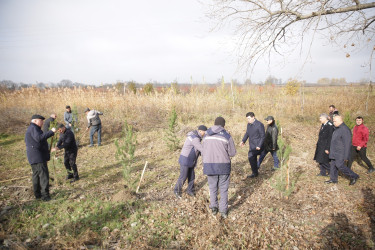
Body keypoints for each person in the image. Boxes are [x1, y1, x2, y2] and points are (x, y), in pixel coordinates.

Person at [202, 117, 236, 219]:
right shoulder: (227, 136)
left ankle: (214, 208)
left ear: (214, 124)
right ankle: (223, 211)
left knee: (212, 188)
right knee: (224, 189)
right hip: (223, 166)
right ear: (223, 125)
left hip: (209, 165)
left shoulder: (206, 135)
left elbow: (203, 149)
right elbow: (232, 153)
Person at [25, 114, 56, 201]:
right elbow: (39, 138)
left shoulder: (32, 128)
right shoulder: (33, 128)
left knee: (36, 175)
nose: (42, 122)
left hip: (33, 157)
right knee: (43, 176)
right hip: (38, 157)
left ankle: (37, 194)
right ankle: (45, 196)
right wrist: (51, 132)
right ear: (35, 121)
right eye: (41, 120)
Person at [174, 125, 207, 198]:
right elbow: (201, 149)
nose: (205, 133)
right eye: (204, 132)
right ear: (200, 131)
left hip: (191, 160)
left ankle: (190, 190)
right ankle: (177, 190)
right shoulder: (195, 138)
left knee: (192, 176)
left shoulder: (195, 136)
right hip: (186, 159)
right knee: (183, 176)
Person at [326, 115, 359, 185]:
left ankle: (354, 176)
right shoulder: (337, 128)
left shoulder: (345, 129)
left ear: (340, 121)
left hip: (340, 152)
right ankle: (333, 179)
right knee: (333, 166)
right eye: (333, 121)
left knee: (340, 165)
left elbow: (347, 144)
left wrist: (346, 156)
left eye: (335, 121)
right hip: (334, 151)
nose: (333, 122)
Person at [240, 112, 265, 178]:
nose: (248, 120)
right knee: (251, 158)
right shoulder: (249, 124)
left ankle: (255, 171)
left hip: (258, 146)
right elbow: (247, 133)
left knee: (253, 156)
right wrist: (243, 141)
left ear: (253, 117)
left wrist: (259, 145)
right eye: (247, 119)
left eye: (249, 118)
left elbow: (263, 136)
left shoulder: (259, 125)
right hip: (252, 145)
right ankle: (255, 172)